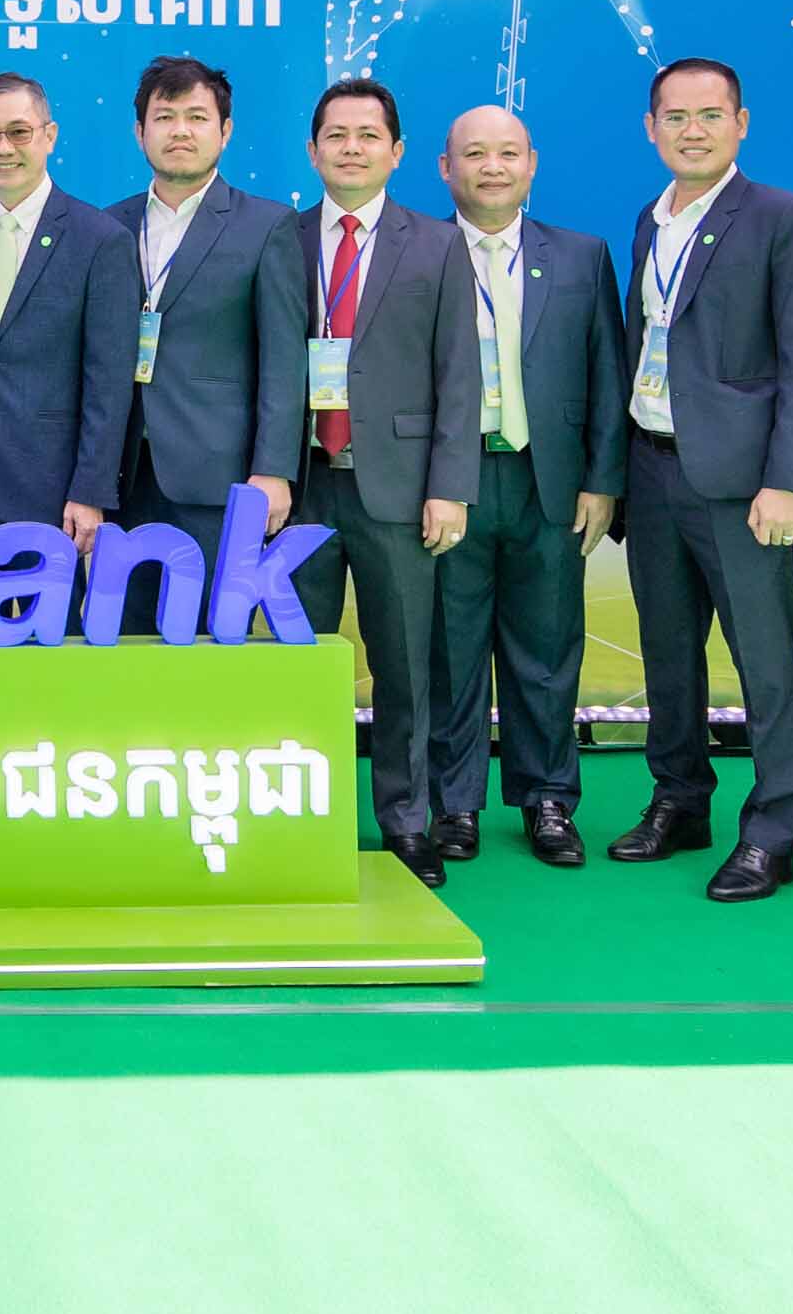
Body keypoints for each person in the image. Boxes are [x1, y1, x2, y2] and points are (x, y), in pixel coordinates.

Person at [612, 57, 793, 900]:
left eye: (710, 115)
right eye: (675, 116)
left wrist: (789, 479)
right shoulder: (650, 218)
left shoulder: (782, 216)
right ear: (651, 128)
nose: (692, 130)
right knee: (669, 654)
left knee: (766, 663)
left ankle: (770, 833)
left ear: (741, 124)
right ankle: (679, 799)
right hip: (653, 466)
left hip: (745, 486)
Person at [265, 80, 480, 883]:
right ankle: (303, 818)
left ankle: (405, 820)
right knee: (301, 662)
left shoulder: (438, 244)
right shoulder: (281, 240)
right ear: (313, 149)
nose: (350, 148)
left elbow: (460, 373)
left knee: (404, 666)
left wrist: (450, 485)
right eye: (336, 135)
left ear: (395, 151)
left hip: (399, 487)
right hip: (301, 489)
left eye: (367, 135)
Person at [424, 105, 625, 871]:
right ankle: (455, 803)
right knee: (451, 649)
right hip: (452, 482)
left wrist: (602, 480)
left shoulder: (580, 255)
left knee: (547, 647)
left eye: (508, 153)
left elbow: (607, 372)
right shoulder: (418, 252)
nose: (493, 167)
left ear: (532, 163)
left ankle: (548, 799)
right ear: (446, 168)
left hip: (550, 481)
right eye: (475, 154)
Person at [105, 55, 298, 628]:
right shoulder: (107, 226)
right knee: (125, 645)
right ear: (140, 131)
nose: (180, 131)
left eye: (196, 117)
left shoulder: (266, 226)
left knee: (213, 645)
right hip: (122, 478)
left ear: (225, 130)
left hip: (218, 478)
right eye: (165, 118)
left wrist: (273, 470)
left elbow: (284, 361)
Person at [0, 74, 140, 583]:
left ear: (50, 135)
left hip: (51, 495)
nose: (3, 148)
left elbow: (108, 382)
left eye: (19, 132)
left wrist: (90, 490)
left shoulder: (100, 239)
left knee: (51, 635)